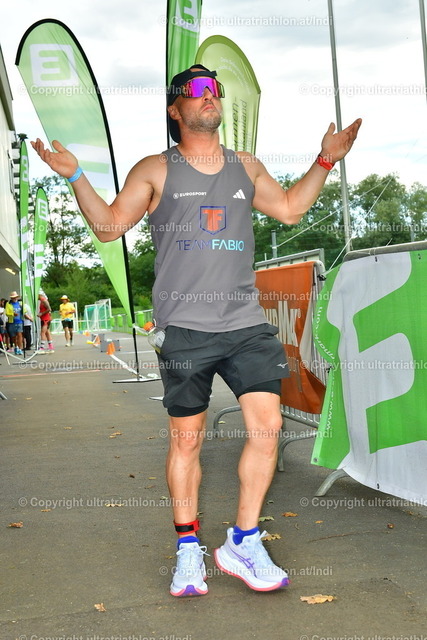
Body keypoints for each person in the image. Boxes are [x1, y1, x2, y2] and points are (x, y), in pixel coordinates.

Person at [31, 64, 362, 597]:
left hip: (246, 324)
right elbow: (110, 227)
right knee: (187, 440)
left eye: (216, 90)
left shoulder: (246, 166)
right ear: (175, 108)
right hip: (186, 329)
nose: (211, 97)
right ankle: (188, 548)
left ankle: (243, 541)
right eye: (198, 90)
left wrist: (325, 160)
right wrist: (74, 176)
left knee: (267, 428)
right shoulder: (154, 170)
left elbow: (291, 209)